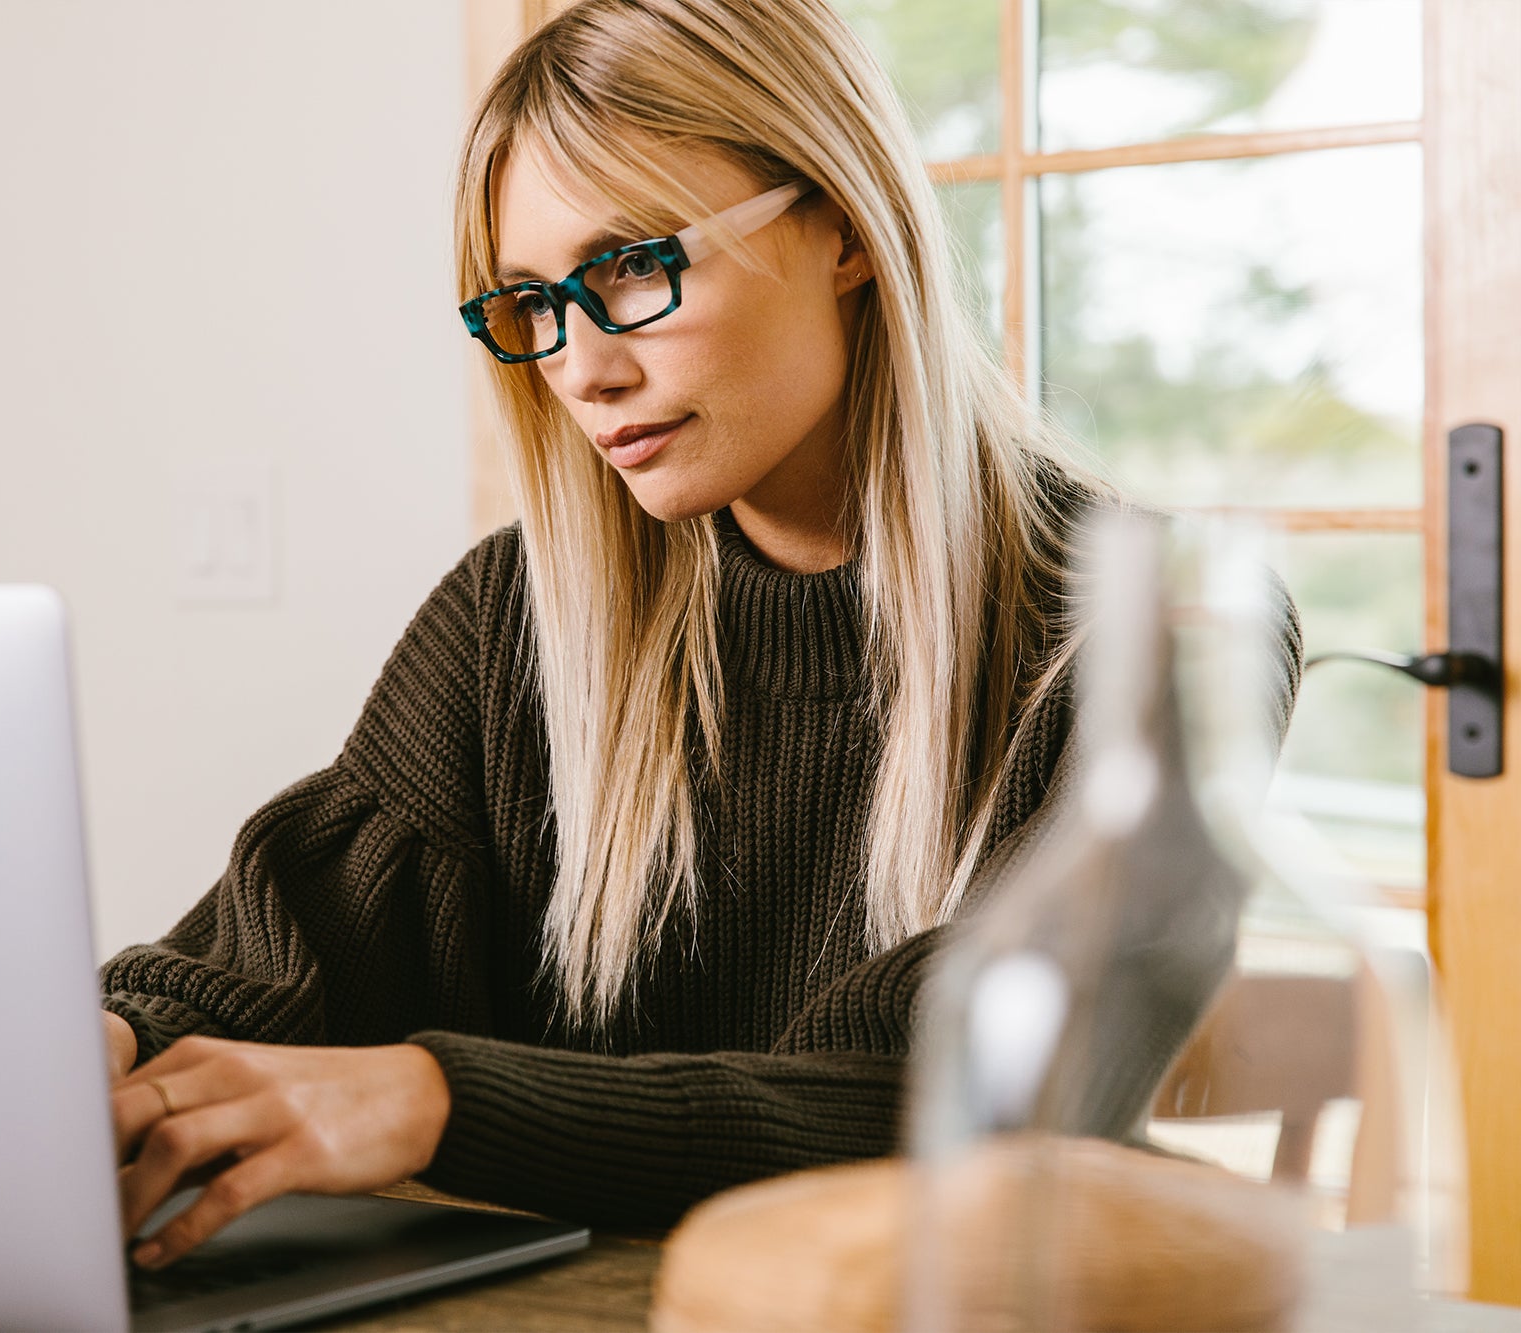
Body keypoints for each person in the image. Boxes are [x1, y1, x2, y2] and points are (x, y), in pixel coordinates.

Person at [98, 0, 1302, 1273]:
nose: (577, 368)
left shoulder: (1156, 626)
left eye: (628, 266)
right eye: (531, 303)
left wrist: (436, 1099)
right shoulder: (512, 622)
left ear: (839, 222)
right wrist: (103, 1048)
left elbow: (972, 1105)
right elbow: (264, 960)